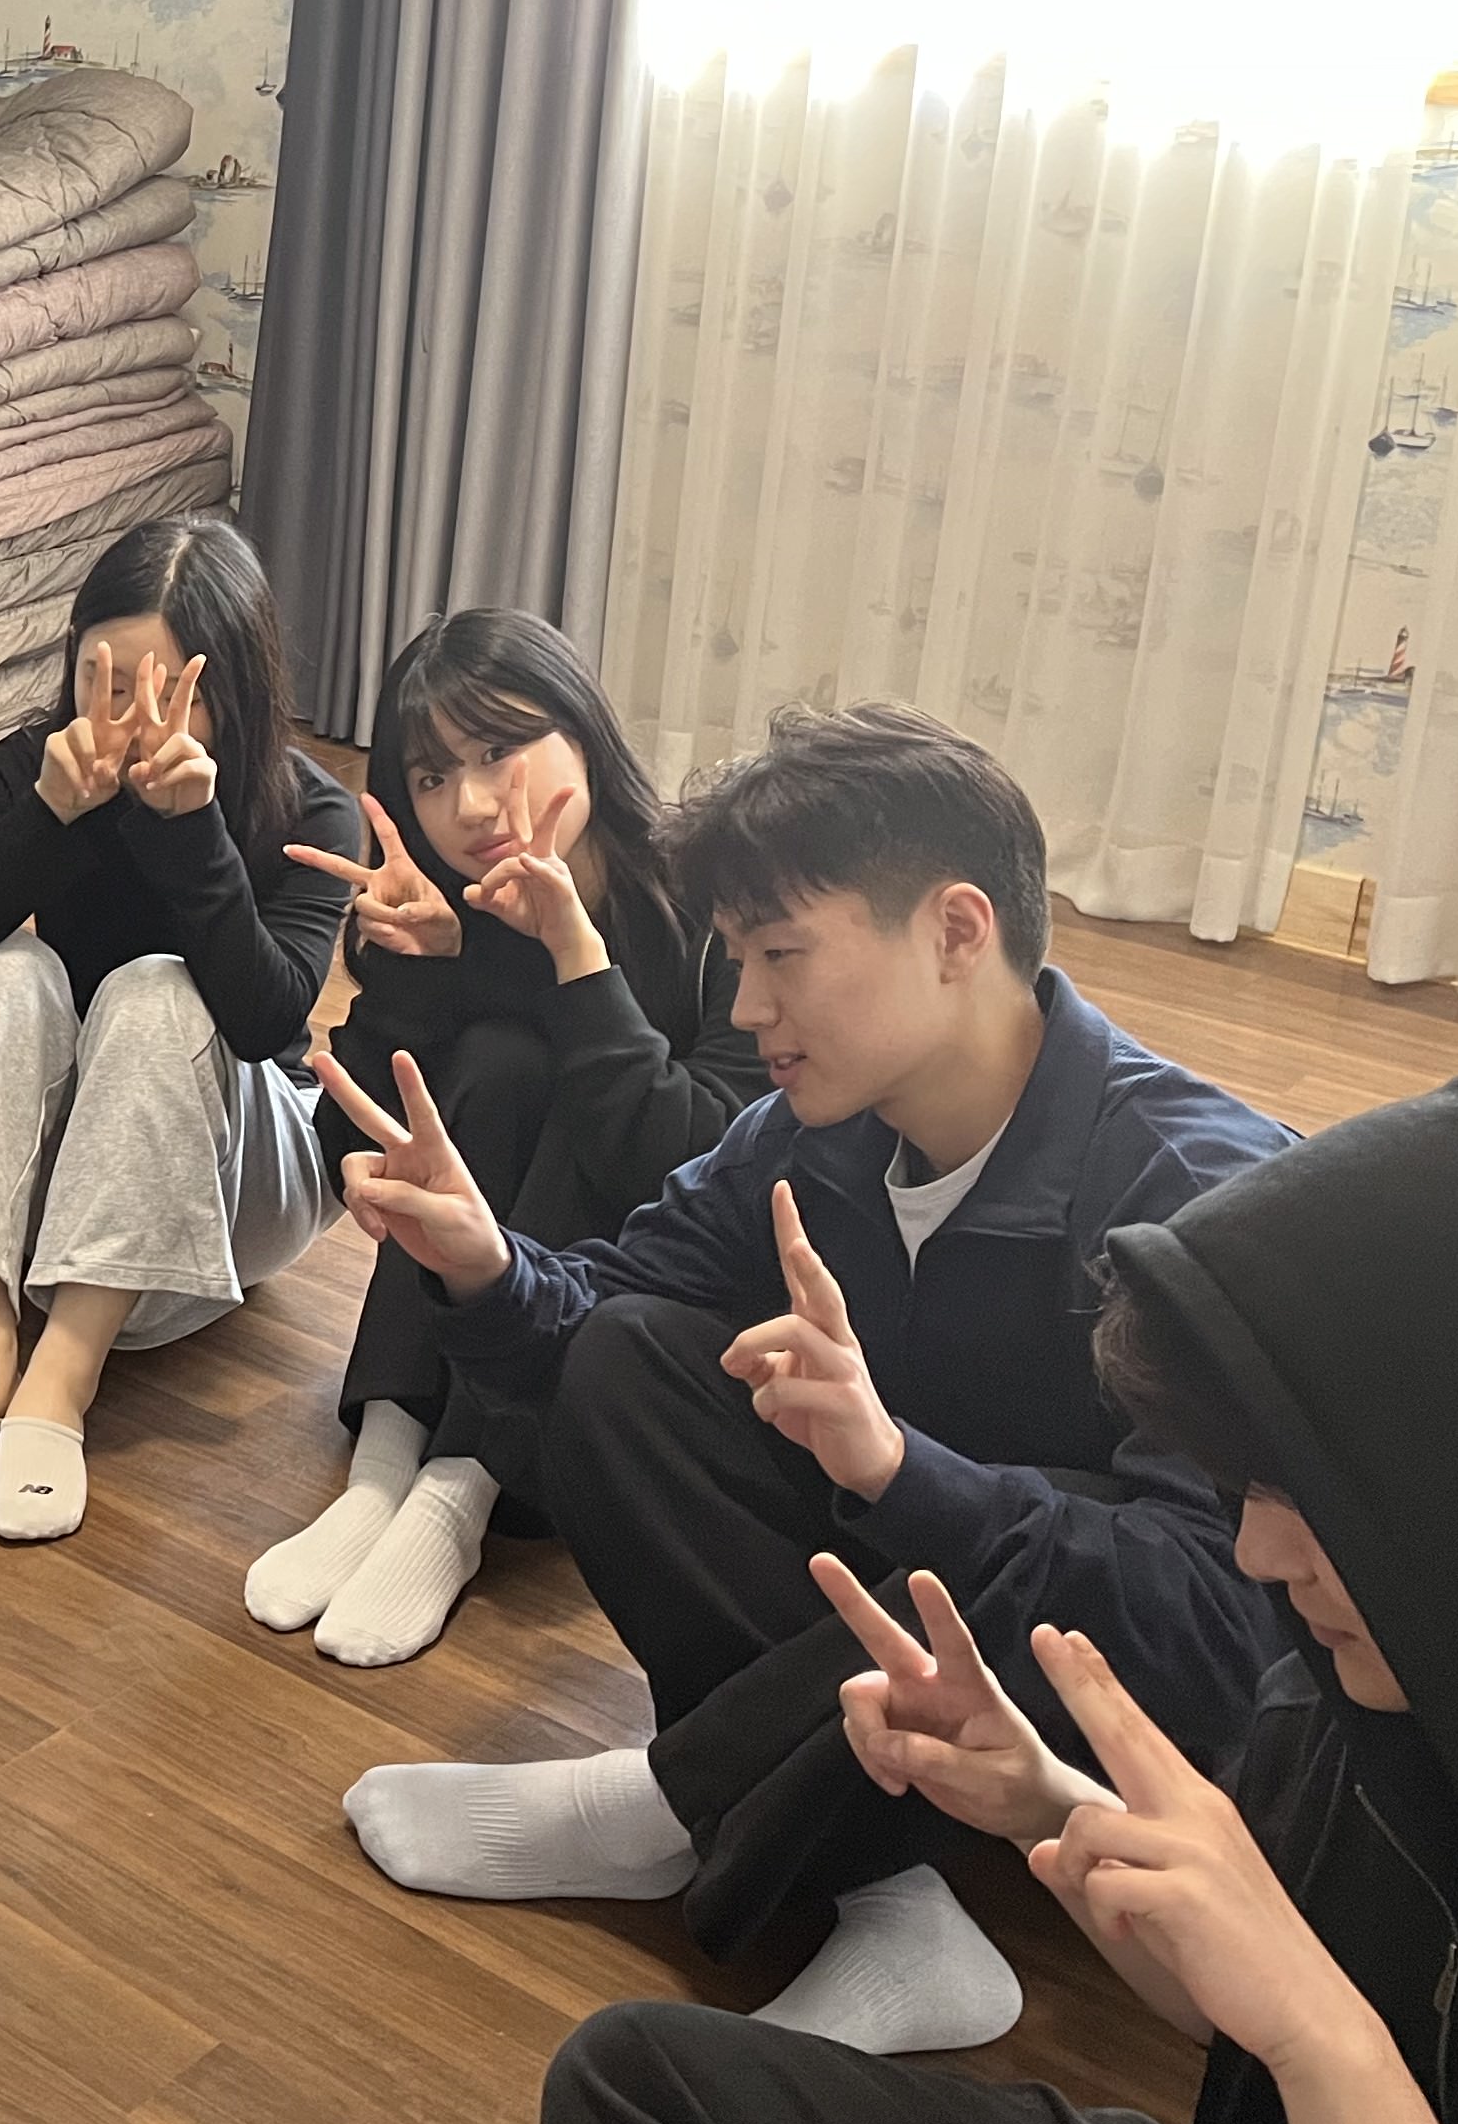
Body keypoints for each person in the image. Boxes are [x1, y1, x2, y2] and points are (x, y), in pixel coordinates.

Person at [329, 704, 1289, 2055]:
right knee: (625, 1359)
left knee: (1030, 1526)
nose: (746, 1010)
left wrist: (905, 1471)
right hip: (912, 1651)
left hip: (1120, 1725)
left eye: (781, 955)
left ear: (957, 932)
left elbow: (1231, 1626)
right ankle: (883, 1892)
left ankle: (671, 1803)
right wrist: (486, 1267)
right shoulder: (806, 1134)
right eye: (736, 960)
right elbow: (602, 1309)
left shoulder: (1192, 1194)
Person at [533, 1067, 1458, 2124]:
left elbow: (1303, 2024)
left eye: (1305, 1497)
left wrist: (1325, 2042)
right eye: (1245, 1491)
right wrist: (1046, 1806)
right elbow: (1243, 2005)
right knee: (637, 2092)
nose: (1257, 1552)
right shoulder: (1339, 1709)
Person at [245, 607, 763, 1664]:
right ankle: (384, 1464)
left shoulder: (713, 905)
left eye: (498, 750)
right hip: (486, 1306)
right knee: (496, 1059)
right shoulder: (450, 904)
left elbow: (697, 1163)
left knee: (571, 1082)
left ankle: (459, 1489)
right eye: (432, 775)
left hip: (639, 1323)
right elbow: (349, 1149)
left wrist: (575, 953)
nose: (471, 804)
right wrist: (415, 976)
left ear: (583, 730)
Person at [0, 512, 352, 1543]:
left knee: (159, 990)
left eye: (170, 693)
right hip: (70, 1174)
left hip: (238, 1181)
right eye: (104, 681)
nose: (129, 721)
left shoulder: (308, 811)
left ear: (233, 695)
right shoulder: (26, 770)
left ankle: (61, 1382)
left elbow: (267, 1018)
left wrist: (195, 835)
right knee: (0, 970)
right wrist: (48, 820)